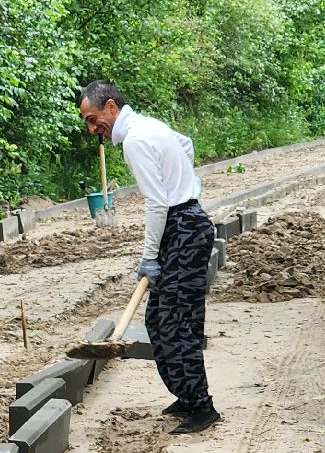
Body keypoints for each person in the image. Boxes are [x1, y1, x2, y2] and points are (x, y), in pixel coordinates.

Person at [75, 81, 220, 435]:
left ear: (111, 107)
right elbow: (185, 144)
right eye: (89, 124)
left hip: (182, 228)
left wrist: (149, 257)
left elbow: (156, 204)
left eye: (94, 120)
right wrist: (180, 180)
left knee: (175, 322)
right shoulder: (150, 127)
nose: (94, 129)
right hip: (187, 223)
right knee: (158, 319)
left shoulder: (136, 141)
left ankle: (202, 407)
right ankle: (186, 396)